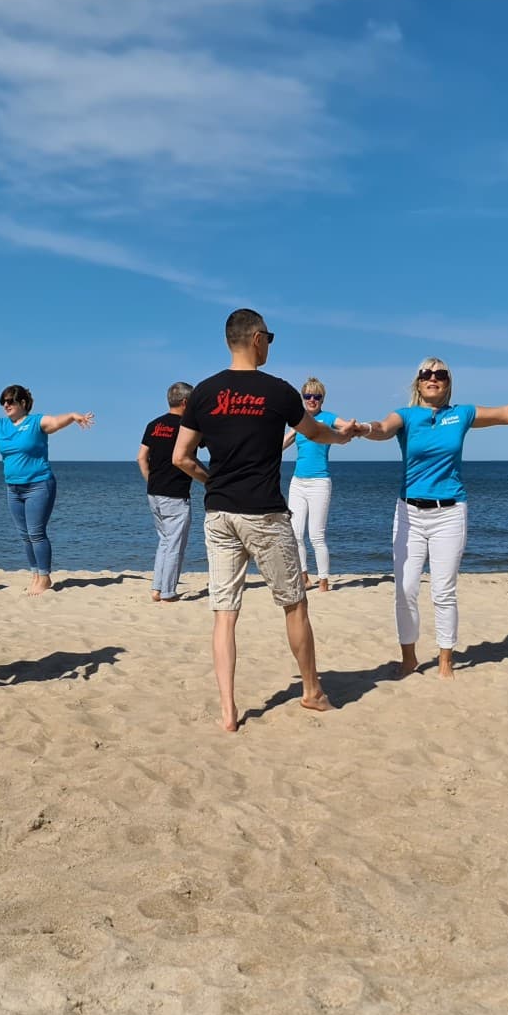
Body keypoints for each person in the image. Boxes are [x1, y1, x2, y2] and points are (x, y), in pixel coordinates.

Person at [173, 308, 357, 732]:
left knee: (224, 612)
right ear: (256, 339)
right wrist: (343, 435)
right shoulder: (278, 392)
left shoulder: (203, 393)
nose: (270, 344)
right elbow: (314, 433)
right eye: (269, 337)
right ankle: (311, 692)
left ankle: (228, 711)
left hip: (219, 513)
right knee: (294, 603)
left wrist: (210, 480)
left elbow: (181, 457)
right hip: (265, 514)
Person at [354, 359, 508, 677]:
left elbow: (506, 413)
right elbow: (382, 428)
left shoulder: (461, 414)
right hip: (409, 513)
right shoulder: (406, 415)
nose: (432, 378)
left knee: (443, 590)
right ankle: (409, 658)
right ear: (417, 382)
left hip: (450, 513)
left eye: (440, 374)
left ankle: (445, 660)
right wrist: (362, 429)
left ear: (448, 383)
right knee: (405, 588)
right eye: (426, 374)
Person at [0, 386, 93, 595]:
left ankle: (45, 577)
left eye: (11, 401)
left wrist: (74, 416)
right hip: (13, 488)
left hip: (39, 485)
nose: (6, 405)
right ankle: (35, 575)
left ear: (23, 403)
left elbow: (57, 421)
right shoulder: (0, 425)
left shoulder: (36, 422)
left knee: (36, 533)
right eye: (3, 401)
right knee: (24, 535)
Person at [283, 377, 352, 591]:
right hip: (298, 482)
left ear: (322, 399)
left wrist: (356, 428)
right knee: (295, 534)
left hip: (319, 482)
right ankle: (304, 576)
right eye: (308, 396)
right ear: (303, 398)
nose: (312, 400)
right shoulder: (299, 421)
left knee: (316, 535)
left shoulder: (328, 418)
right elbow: (280, 445)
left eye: (317, 396)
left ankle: (323, 580)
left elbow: (347, 426)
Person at [138, 382, 196, 602]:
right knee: (174, 545)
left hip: (154, 492)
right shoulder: (186, 426)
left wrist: (151, 480)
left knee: (164, 541)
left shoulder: (154, 424)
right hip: (175, 494)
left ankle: (156, 589)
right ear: (185, 402)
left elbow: (141, 457)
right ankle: (168, 592)